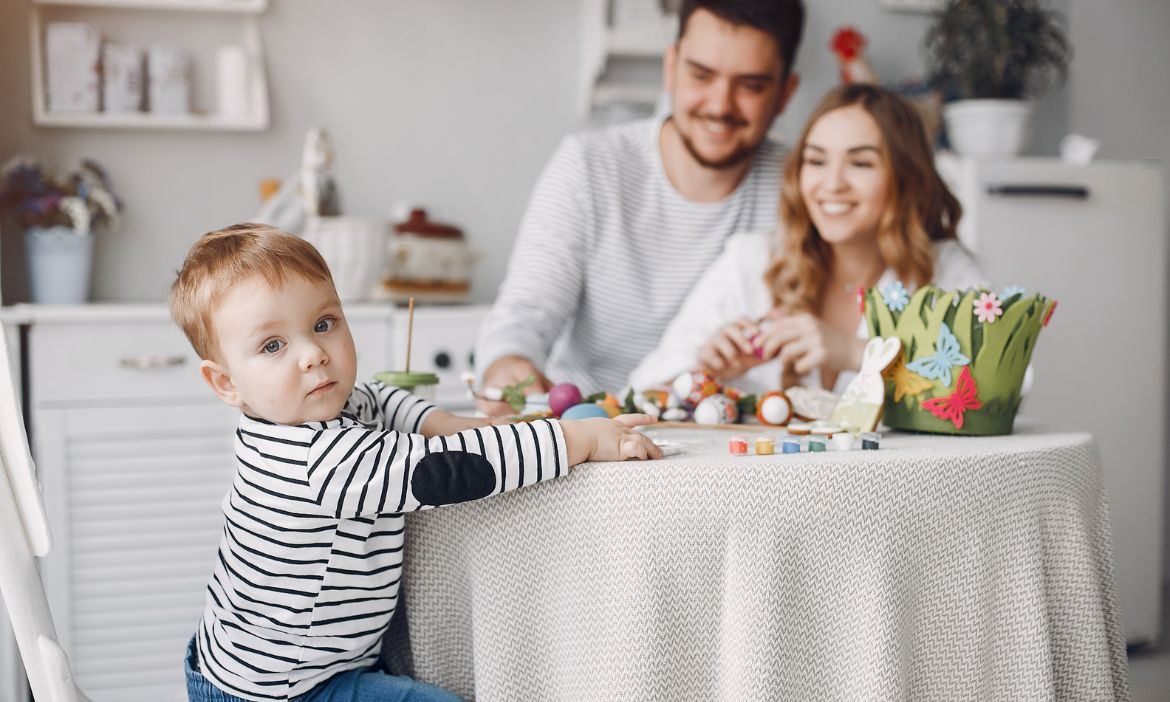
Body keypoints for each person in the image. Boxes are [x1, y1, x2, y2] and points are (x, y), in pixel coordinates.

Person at [169, 224, 660, 702]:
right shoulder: (319, 463)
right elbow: (447, 470)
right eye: (273, 346)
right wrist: (574, 440)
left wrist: (487, 426)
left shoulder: (334, 407)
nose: (314, 355)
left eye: (324, 324)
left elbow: (402, 409)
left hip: (280, 660)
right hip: (282, 688)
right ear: (226, 384)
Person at [473, 0, 805, 413]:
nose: (720, 105)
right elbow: (524, 314)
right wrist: (509, 367)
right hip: (588, 430)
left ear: (785, 93)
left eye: (751, 85)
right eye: (701, 75)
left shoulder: (804, 188)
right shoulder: (589, 166)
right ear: (671, 68)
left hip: (727, 438)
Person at [628, 83, 986, 396]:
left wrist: (855, 353)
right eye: (816, 161)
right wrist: (707, 373)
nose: (832, 183)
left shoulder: (946, 273)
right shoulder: (752, 262)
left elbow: (995, 391)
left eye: (860, 164)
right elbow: (641, 388)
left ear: (906, 179)